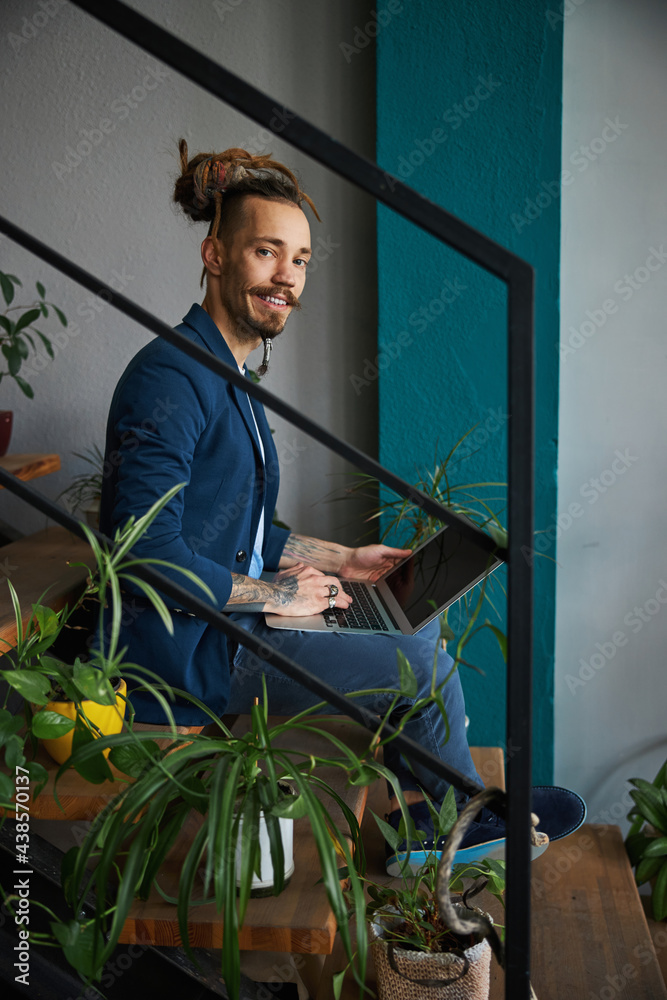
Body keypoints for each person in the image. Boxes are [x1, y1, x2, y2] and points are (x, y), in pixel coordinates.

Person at [100, 141, 585, 874]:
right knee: (418, 667)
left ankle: (432, 804)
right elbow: (144, 552)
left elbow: (246, 529)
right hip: (191, 655)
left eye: (298, 261)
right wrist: (276, 594)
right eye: (267, 252)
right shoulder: (168, 380)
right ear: (215, 255)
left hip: (229, 623)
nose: (287, 278)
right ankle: (454, 830)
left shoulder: (225, 374)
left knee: (410, 625)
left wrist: (341, 561)